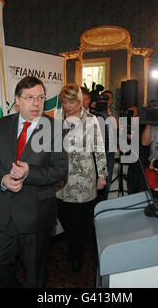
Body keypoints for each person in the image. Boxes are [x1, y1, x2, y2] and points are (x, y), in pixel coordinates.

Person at [0, 76, 68, 288]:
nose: (36, 103)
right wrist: (3, 179)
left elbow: (60, 170)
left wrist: (30, 173)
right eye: (29, 97)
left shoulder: (54, 128)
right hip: (3, 214)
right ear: (17, 100)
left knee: (35, 274)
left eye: (40, 97)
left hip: (36, 215)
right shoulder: (2, 125)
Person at [56, 84, 108, 274]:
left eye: (71, 102)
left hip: (83, 177)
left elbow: (99, 149)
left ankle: (76, 256)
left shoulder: (91, 120)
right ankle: (76, 242)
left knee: (78, 220)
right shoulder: (57, 117)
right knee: (63, 214)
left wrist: (102, 174)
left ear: (79, 101)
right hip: (60, 178)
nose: (68, 106)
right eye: (64, 102)